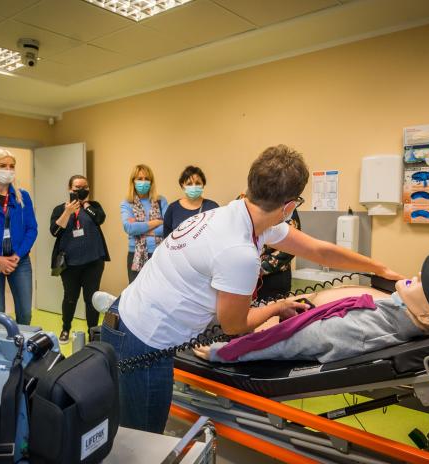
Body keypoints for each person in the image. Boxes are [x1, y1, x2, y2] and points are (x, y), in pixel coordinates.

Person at [101, 144, 403, 434]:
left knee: (130, 433)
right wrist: (277, 307)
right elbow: (234, 325)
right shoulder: (239, 252)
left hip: (126, 320)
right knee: (142, 442)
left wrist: (378, 268)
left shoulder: (237, 214)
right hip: (144, 341)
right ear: (289, 206)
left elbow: (319, 250)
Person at [194, 255, 429, 364]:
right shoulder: (395, 310)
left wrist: (227, 352)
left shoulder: (361, 330)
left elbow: (289, 343)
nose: (420, 275)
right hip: (281, 315)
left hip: (251, 335)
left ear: (426, 316)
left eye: (428, 285)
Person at [50, 175, 109, 344]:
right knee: (70, 298)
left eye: (85, 187)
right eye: (77, 188)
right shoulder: (59, 209)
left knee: (92, 299)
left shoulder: (94, 206)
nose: (81, 190)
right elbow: (54, 231)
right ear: (70, 189)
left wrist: (86, 205)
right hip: (69, 264)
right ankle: (65, 328)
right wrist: (68, 211)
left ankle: (93, 332)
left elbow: (100, 219)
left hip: (93, 262)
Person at [0, 149, 37, 325]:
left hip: (19, 261)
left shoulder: (22, 196)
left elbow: (32, 229)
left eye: (12, 166)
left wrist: (17, 255)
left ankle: (21, 342)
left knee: (25, 314)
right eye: (3, 165)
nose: (8, 170)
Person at [120, 164, 168, 283]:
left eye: (147, 179)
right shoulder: (127, 203)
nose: (143, 182)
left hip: (159, 254)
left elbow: (168, 227)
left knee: (159, 289)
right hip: (136, 255)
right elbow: (129, 228)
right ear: (133, 181)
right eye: (140, 179)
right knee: (136, 290)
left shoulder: (161, 200)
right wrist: (156, 222)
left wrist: (141, 228)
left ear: (151, 182)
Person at [163, 166, 219, 237]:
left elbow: (218, 233)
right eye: (189, 184)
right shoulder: (173, 208)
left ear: (203, 185)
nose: (194, 186)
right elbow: (167, 238)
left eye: (198, 183)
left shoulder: (212, 207)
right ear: (182, 186)